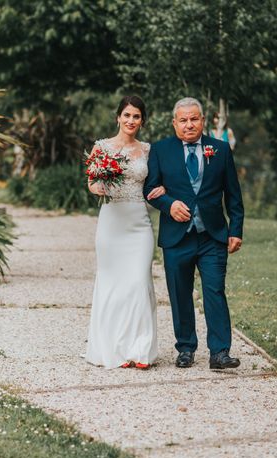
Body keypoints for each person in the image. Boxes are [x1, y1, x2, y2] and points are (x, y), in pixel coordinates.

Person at [143, 97, 244, 369]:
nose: (189, 124)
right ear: (174, 123)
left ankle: (220, 352)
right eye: (183, 120)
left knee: (215, 290)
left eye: (194, 119)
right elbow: (150, 189)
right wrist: (169, 204)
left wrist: (236, 229)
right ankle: (186, 348)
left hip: (213, 235)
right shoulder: (161, 150)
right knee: (180, 293)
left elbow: (233, 195)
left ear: (202, 120)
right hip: (177, 236)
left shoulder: (220, 150)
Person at [85, 95, 165, 369]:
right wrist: (97, 187)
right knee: (112, 284)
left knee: (139, 281)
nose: (131, 121)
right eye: (127, 115)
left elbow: (156, 181)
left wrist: (162, 189)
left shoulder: (147, 150)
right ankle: (114, 348)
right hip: (112, 221)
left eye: (137, 116)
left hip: (138, 222)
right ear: (118, 117)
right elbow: (92, 181)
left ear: (142, 121)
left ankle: (139, 349)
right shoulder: (101, 147)